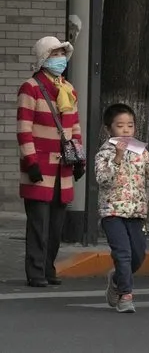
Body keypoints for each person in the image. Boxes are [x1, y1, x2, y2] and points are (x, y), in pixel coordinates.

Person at [96, 104, 149, 313]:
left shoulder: (140, 151)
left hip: (136, 212)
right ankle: (126, 296)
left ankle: (116, 279)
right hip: (113, 212)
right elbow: (102, 179)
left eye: (130, 126)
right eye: (120, 126)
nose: (126, 130)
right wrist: (117, 158)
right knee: (123, 253)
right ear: (109, 129)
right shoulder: (104, 153)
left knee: (138, 255)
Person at [17, 36, 85, 288]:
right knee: (38, 224)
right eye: (55, 54)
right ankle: (35, 272)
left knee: (56, 225)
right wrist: (31, 161)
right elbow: (24, 129)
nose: (60, 59)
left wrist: (79, 158)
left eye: (61, 53)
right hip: (39, 168)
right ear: (44, 58)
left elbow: (75, 127)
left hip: (63, 168)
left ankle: (48, 268)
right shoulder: (30, 87)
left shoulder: (67, 88)